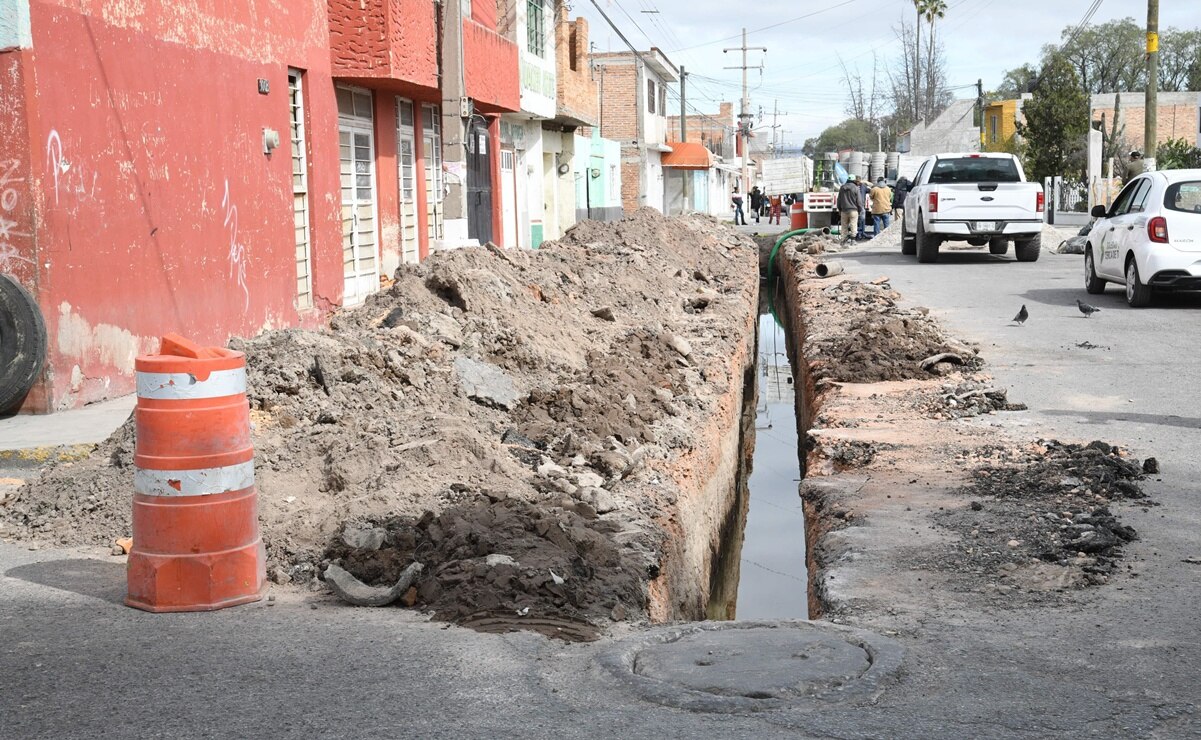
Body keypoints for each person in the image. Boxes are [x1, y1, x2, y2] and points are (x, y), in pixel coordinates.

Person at [837, 175, 862, 244]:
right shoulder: (856, 188)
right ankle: (853, 240)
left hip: (844, 210)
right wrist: (860, 209)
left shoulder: (842, 188)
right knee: (853, 224)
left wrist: (839, 209)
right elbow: (859, 201)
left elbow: (839, 199)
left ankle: (843, 240)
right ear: (854, 180)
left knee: (844, 225)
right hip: (853, 210)